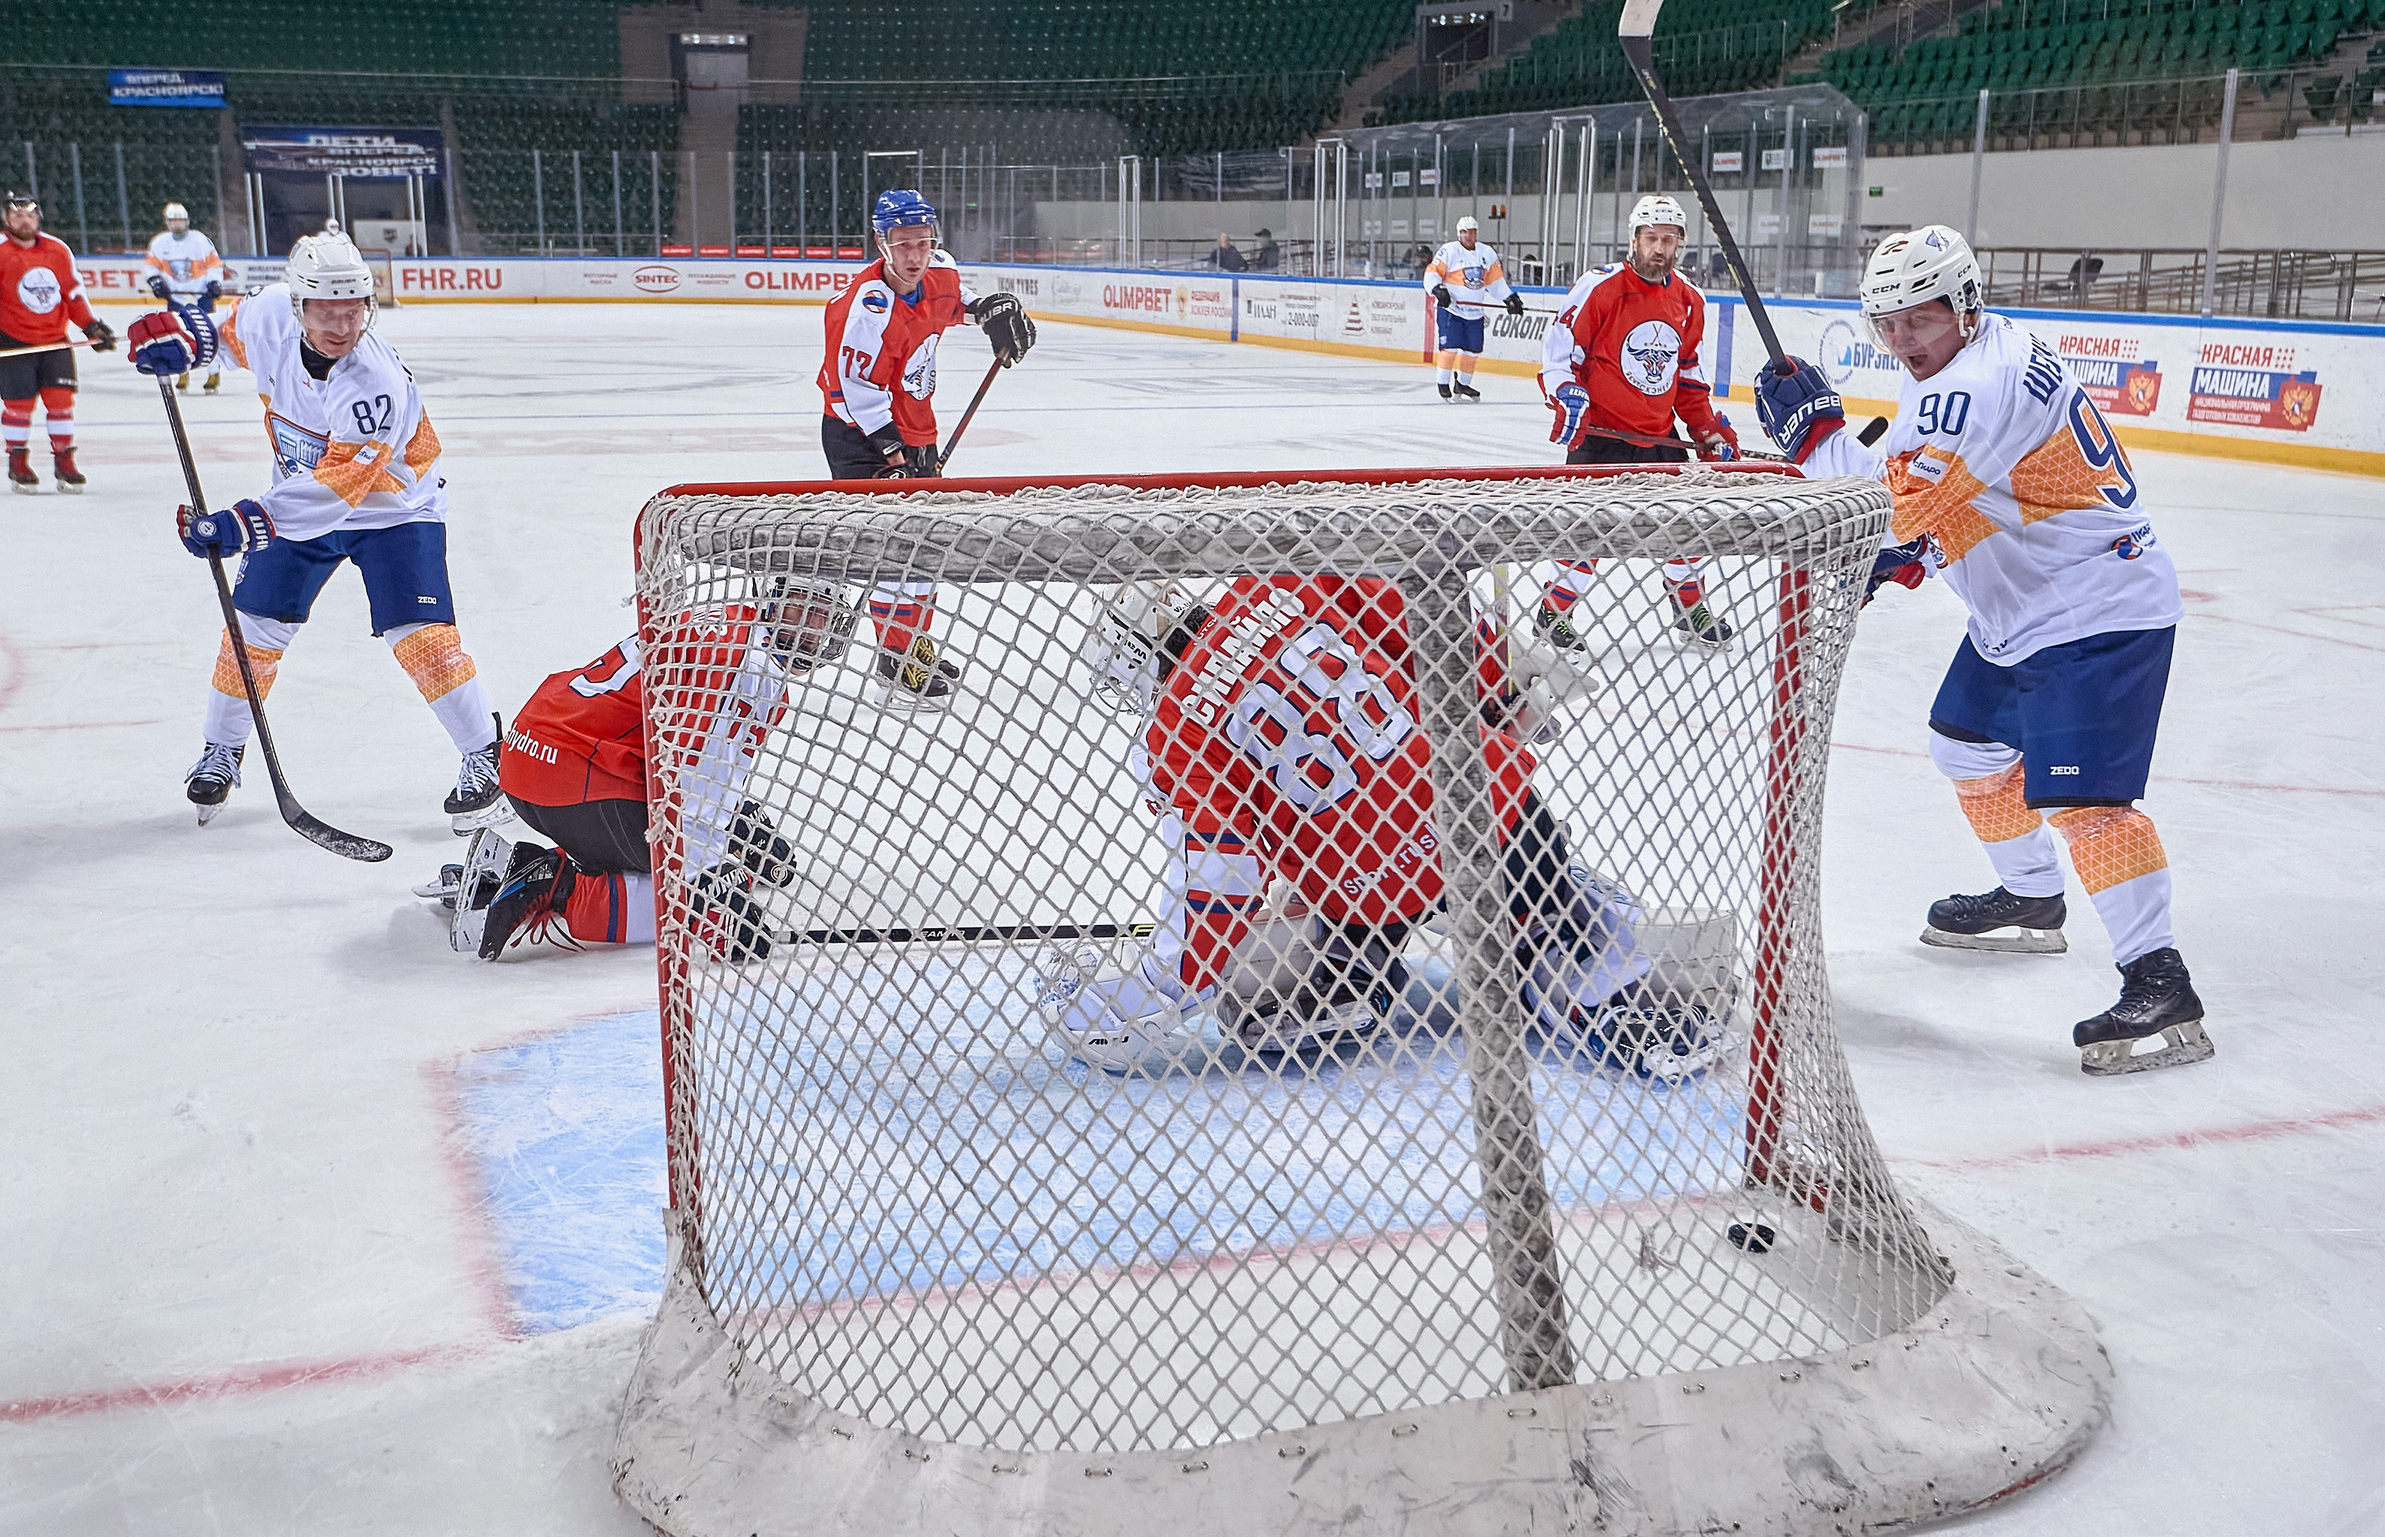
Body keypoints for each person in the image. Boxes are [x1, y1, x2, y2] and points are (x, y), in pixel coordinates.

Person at [1753, 224, 2210, 1077]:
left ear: (1964, 304)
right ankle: (2033, 898)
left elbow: (1882, 517)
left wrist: (1814, 439)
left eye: (1918, 320)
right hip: (2026, 608)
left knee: (2090, 809)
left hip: (2093, 612)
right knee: (1965, 747)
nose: (1901, 341)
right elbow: (1955, 497)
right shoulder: (1989, 355)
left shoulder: (1972, 387)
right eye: (1884, 323)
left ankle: (2160, 978)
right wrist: (1907, 548)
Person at [1034, 576, 1707, 1078]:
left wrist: (1147, 994)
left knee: (1253, 985)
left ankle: (1358, 980)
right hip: (1489, 815)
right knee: (1545, 915)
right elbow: (1431, 624)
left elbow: (1221, 883)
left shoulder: (1172, 734)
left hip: (1365, 889)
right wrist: (1500, 689)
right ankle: (1567, 956)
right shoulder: (1281, 579)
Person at [123, 227, 508, 836]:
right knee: (250, 633)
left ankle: (486, 753)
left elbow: (336, 491)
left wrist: (242, 524)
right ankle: (222, 749)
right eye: (325, 310)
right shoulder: (270, 314)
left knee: (423, 638)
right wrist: (184, 346)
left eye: (352, 309)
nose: (341, 325)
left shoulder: (372, 382)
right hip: (298, 501)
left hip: (395, 509)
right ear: (298, 304)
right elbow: (223, 340)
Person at [434, 575, 851, 960]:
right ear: (774, 600)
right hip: (573, 779)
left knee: (717, 873)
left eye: (822, 614)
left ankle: (518, 868)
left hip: (535, 759)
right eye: (801, 605)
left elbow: (684, 747)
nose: (810, 626)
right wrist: (709, 897)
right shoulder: (755, 670)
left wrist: (732, 821)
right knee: (690, 898)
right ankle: (558, 885)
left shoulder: (727, 619)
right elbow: (691, 772)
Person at [815, 189, 1037, 714]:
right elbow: (854, 392)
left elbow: (951, 307)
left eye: (923, 242)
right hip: (860, 435)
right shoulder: (864, 309)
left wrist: (989, 313)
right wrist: (894, 458)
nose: (914, 256)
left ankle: (911, 645)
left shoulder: (938, 272)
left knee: (924, 549)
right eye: (902, 244)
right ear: (880, 243)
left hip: (916, 427)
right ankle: (895, 666)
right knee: (892, 553)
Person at [1533, 194, 1743, 653]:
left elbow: (1688, 376)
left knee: (1684, 526)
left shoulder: (1689, 299)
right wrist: (1567, 394)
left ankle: (1689, 609)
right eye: (1652, 239)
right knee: (1585, 531)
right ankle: (1553, 613)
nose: (1659, 249)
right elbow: (1560, 354)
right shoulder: (1600, 287)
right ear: (1634, 239)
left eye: (1669, 240)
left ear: (1680, 244)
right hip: (1602, 436)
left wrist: (1706, 430)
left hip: (1657, 435)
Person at [0, 192, 115, 495]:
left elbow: (72, 293)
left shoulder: (57, 250)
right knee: (19, 406)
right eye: (17, 215)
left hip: (55, 340)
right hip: (12, 340)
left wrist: (90, 324)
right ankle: (18, 460)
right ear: (5, 220)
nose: (24, 220)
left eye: (30, 215)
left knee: (61, 403)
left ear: (38, 218)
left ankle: (65, 460)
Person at [1422, 213, 1523, 402]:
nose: (1469, 236)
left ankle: (1463, 384)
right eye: (1465, 232)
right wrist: (1437, 289)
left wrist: (1509, 298)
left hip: (1475, 312)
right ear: (1459, 234)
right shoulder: (1449, 251)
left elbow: (1496, 282)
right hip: (1451, 309)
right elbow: (1432, 272)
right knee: (1450, 348)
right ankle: (1443, 383)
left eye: (1473, 232)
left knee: (1473, 350)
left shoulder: (1487, 253)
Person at [145, 202, 228, 393]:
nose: (177, 224)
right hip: (175, 296)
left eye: (180, 220)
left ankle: (213, 373)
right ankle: (182, 372)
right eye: (173, 220)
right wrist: (156, 282)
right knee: (177, 334)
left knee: (208, 334)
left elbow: (214, 264)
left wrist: (214, 283)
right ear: (167, 222)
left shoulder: (200, 241)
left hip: (201, 294)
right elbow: (151, 267)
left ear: (187, 220)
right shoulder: (159, 243)